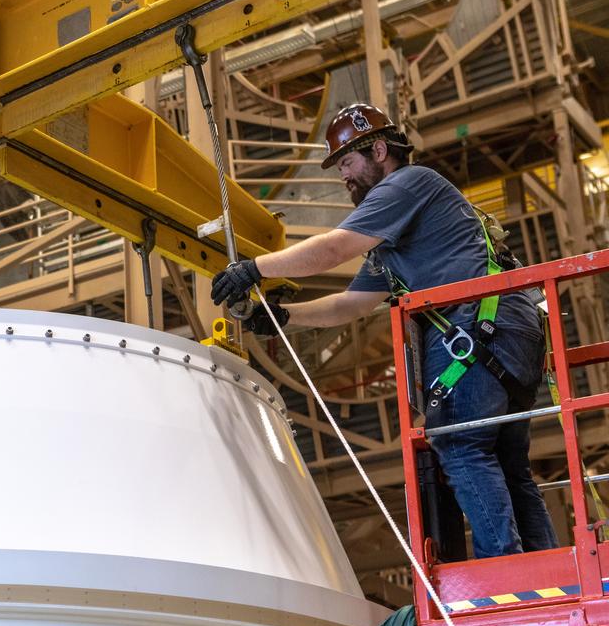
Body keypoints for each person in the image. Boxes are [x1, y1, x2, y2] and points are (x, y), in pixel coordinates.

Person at [210, 103, 557, 560]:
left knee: (457, 443)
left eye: (348, 163)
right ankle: (543, 569)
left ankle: (506, 571)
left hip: (478, 326)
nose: (343, 177)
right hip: (504, 329)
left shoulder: (405, 184)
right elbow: (351, 304)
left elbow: (333, 249)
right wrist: (282, 316)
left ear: (378, 150)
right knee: (508, 463)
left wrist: (255, 269)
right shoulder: (397, 240)